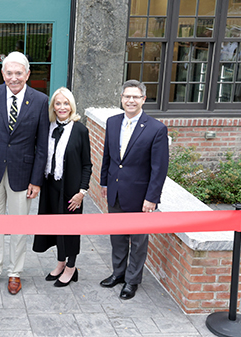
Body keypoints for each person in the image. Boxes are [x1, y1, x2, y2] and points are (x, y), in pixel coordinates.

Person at [0, 51, 49, 295]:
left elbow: (42, 145)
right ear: (2, 74)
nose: (13, 78)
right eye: (9, 73)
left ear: (27, 74)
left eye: (18, 73)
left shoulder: (40, 100)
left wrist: (36, 179)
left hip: (23, 175)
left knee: (19, 226)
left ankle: (15, 272)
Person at [99, 79, 169, 300]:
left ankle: (132, 281)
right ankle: (118, 274)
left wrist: (152, 198)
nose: (130, 100)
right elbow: (108, 157)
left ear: (143, 100)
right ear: (121, 99)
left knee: (138, 242)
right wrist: (104, 183)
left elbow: (159, 168)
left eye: (135, 97)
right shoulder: (112, 122)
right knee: (117, 238)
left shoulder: (156, 129)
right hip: (116, 192)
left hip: (141, 197)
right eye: (126, 96)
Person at [32, 88, 92, 287]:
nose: (62, 107)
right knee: (56, 227)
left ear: (72, 106)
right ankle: (60, 263)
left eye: (66, 103)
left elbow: (87, 165)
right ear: (53, 107)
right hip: (51, 186)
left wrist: (81, 192)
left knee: (71, 229)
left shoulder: (80, 130)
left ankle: (71, 268)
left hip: (71, 190)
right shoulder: (48, 127)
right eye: (58, 103)